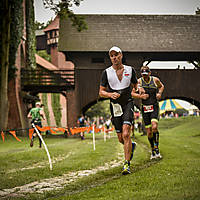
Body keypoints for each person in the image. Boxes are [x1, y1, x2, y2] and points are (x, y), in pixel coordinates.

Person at [99, 46, 147, 175]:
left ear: (121, 55)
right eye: (112, 56)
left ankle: (126, 164)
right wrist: (109, 95)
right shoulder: (106, 72)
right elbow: (101, 92)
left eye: (116, 55)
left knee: (126, 134)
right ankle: (132, 145)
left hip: (128, 104)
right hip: (115, 107)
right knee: (121, 138)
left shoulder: (130, 70)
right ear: (110, 58)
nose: (114, 58)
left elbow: (136, 85)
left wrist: (139, 89)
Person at [131, 66, 164, 159]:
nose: (145, 77)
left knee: (154, 127)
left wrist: (159, 93)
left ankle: (157, 148)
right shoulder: (138, 82)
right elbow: (132, 93)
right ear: (141, 74)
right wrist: (140, 97)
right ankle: (153, 149)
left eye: (146, 74)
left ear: (150, 73)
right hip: (145, 108)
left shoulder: (155, 80)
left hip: (154, 106)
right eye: (143, 75)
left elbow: (161, 86)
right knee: (149, 132)